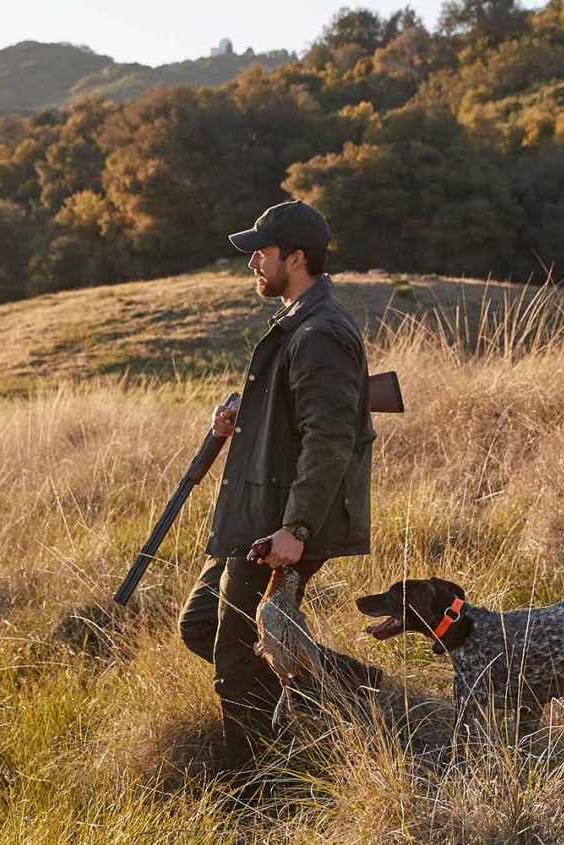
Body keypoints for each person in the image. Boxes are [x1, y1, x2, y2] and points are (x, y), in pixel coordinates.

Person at [176, 199, 378, 771]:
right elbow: (299, 416)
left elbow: (330, 438)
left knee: (235, 657)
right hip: (261, 507)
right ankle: (357, 689)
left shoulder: (319, 332)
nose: (253, 264)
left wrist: (297, 527)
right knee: (202, 624)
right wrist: (249, 414)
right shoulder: (298, 322)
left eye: (262, 254)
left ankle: (261, 788)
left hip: (284, 519)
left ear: (296, 256)